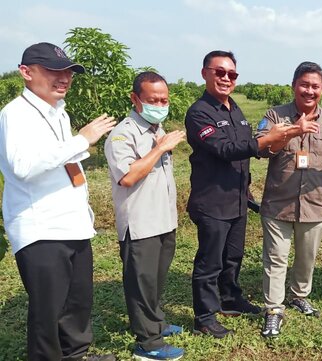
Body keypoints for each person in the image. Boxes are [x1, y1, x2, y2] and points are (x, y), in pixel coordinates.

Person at [0, 42, 116, 360]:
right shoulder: (16, 114)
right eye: (53, 70)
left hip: (72, 223)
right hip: (41, 227)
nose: (63, 78)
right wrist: (82, 139)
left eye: (68, 72)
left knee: (77, 302)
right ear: (26, 72)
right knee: (48, 310)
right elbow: (23, 167)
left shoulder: (58, 112)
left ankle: (76, 355)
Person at [185, 50, 302, 338]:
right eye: (220, 72)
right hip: (212, 200)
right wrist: (266, 140)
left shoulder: (234, 109)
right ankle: (204, 316)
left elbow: (251, 148)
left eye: (232, 74)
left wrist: (274, 141)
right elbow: (224, 149)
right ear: (205, 74)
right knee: (209, 262)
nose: (226, 78)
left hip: (238, 198)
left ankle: (229, 297)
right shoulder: (199, 112)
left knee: (233, 255)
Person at [256, 62, 322, 337]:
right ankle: (274, 309)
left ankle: (299, 295)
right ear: (293, 86)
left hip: (315, 201)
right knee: (276, 258)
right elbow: (263, 148)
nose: (309, 91)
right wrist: (293, 130)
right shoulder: (275, 116)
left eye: (315, 86)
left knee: (306, 257)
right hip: (279, 201)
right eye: (304, 84)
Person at [104, 71, 186, 360]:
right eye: (153, 100)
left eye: (164, 99)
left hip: (163, 219)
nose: (160, 104)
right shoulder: (123, 134)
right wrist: (160, 148)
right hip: (140, 225)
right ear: (135, 99)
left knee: (155, 279)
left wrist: (161, 142)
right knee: (141, 283)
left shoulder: (157, 128)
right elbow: (127, 177)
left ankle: (156, 323)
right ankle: (148, 344)